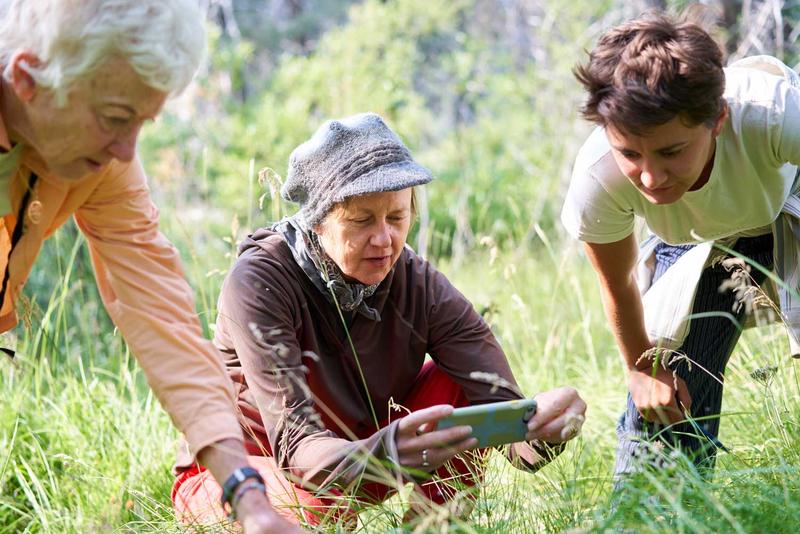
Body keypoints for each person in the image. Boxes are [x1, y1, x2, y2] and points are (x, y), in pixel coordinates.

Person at [172, 112, 588, 526]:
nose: (384, 239)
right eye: (361, 220)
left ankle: (430, 527)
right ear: (317, 221)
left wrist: (541, 427)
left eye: (397, 218)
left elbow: (506, 428)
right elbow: (298, 449)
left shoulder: (417, 283)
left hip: (365, 457)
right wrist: (387, 450)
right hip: (240, 474)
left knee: (456, 395)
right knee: (316, 511)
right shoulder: (261, 282)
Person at [0, 1, 299, 531]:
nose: (126, 149)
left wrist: (247, 496)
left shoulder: (100, 162)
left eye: (142, 122)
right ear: (27, 77)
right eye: (116, 118)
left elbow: (158, 312)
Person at [561, 10, 800, 481]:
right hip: (695, 239)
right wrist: (642, 368)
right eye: (630, 153)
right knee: (670, 386)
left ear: (717, 120)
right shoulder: (597, 177)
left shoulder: (774, 113)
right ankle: (657, 513)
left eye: (671, 151)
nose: (649, 177)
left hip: (792, 200)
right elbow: (620, 284)